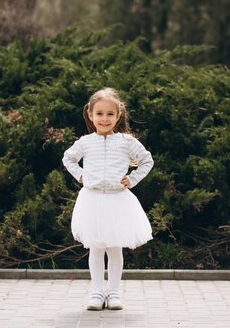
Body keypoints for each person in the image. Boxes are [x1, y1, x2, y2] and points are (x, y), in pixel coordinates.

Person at [62, 88, 154, 311]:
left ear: (118, 115)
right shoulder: (85, 142)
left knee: (114, 249)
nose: (105, 119)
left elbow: (146, 161)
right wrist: (82, 176)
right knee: (95, 247)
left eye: (110, 114)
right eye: (100, 114)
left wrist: (132, 180)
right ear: (91, 115)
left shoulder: (126, 142)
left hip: (117, 201)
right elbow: (68, 158)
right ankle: (96, 293)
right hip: (92, 200)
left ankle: (113, 293)